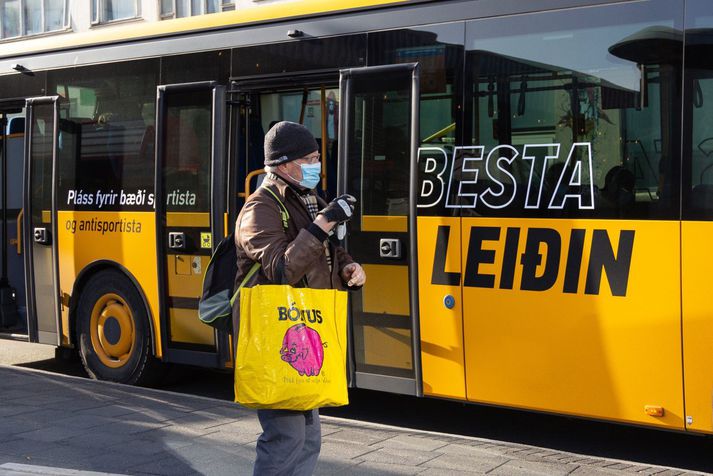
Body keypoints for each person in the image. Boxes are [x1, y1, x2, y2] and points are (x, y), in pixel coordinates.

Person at [233, 121, 366, 476]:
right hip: (277, 338)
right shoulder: (258, 208)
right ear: (283, 164)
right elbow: (282, 269)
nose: (316, 165)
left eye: (318, 157)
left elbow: (331, 253)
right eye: (309, 158)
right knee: (286, 437)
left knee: (308, 438)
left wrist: (349, 269)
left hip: (304, 333)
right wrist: (323, 223)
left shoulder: (308, 200)